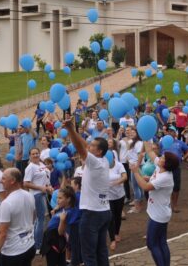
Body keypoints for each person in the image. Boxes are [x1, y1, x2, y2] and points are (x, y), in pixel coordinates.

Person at [64, 113, 112, 266]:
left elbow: (80, 148)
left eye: (93, 146)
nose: (89, 146)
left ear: (98, 152)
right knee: (101, 250)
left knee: (89, 255)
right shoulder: (103, 160)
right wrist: (75, 131)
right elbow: (85, 145)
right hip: (104, 211)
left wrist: (71, 130)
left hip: (92, 214)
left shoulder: (95, 162)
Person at [132, 141, 177, 266]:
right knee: (161, 242)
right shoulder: (160, 167)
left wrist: (136, 172)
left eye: (163, 157)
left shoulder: (166, 177)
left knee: (152, 244)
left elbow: (146, 187)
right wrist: (146, 138)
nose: (160, 157)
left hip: (159, 215)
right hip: (160, 212)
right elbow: (150, 152)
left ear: (165, 163)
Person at [0, 168, 35, 266]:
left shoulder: (7, 203)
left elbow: (2, 233)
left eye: (4, 179)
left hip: (13, 252)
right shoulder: (29, 195)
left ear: (12, 181)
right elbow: (33, 217)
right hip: (30, 245)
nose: (1, 181)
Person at [23, 148, 52, 253]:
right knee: (41, 220)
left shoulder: (41, 165)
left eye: (37, 153)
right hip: (36, 195)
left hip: (43, 194)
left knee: (38, 220)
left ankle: (34, 242)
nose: (35, 155)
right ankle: (37, 246)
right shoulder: (30, 167)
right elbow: (26, 183)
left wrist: (49, 187)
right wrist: (40, 188)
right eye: (33, 153)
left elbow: (45, 179)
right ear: (30, 155)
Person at [41, 186, 77, 266]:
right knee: (60, 262)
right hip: (51, 237)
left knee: (53, 262)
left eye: (60, 198)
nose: (57, 200)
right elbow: (53, 223)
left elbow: (61, 232)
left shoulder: (69, 213)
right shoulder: (63, 208)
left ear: (68, 199)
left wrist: (62, 220)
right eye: (57, 198)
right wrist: (54, 213)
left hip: (55, 241)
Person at [107, 151, 127, 251]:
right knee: (110, 216)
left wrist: (116, 182)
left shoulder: (119, 165)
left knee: (117, 215)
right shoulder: (102, 166)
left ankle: (116, 233)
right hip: (107, 197)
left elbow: (125, 176)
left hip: (119, 195)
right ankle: (112, 238)